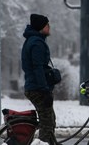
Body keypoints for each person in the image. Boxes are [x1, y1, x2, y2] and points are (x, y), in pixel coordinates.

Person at [21, 14, 57, 145]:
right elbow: (38, 68)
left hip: (34, 86)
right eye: (47, 25)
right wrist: (45, 90)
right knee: (47, 123)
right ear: (41, 27)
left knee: (49, 119)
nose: (49, 27)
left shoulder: (34, 40)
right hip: (37, 88)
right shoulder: (37, 43)